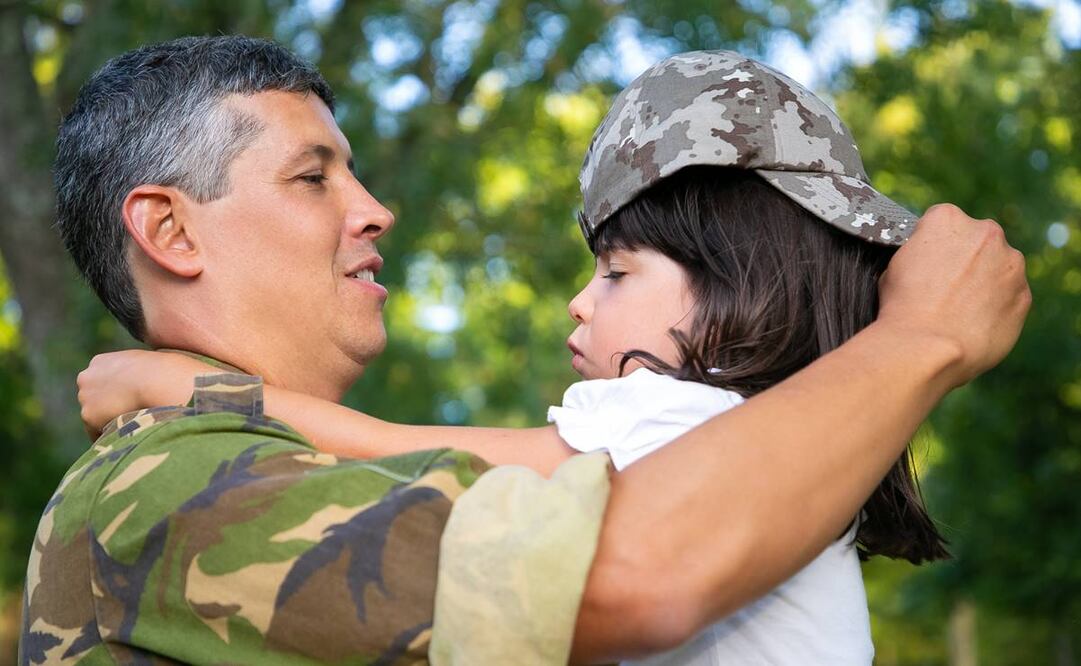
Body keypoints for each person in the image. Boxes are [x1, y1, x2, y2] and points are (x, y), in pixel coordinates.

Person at [22, 37, 1029, 665]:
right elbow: (628, 573)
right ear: (172, 233)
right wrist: (920, 339)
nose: (376, 210)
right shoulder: (167, 481)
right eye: (312, 178)